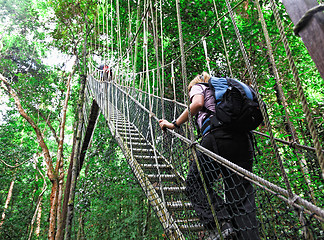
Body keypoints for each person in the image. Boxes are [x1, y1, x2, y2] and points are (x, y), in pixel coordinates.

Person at [159, 72, 259, 240]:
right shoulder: (226, 88)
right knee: (241, 198)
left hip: (217, 138)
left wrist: (174, 124)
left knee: (194, 184)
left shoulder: (200, 86)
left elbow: (197, 104)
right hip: (244, 141)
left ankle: (221, 224)